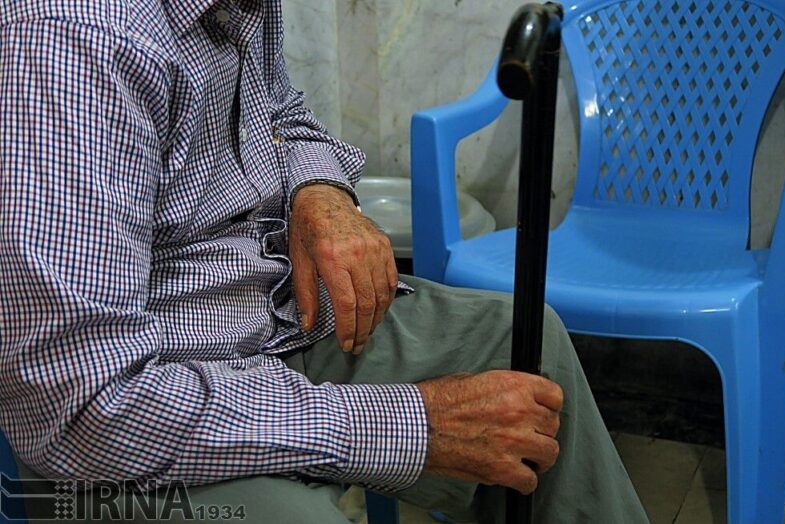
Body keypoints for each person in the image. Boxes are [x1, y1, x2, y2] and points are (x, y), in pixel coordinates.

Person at [0, 0, 647, 522]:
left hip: (265, 317)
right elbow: (81, 408)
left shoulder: (236, 8)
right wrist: (415, 426)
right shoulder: (73, 44)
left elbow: (279, 109)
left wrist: (320, 190)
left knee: (528, 347)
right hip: (134, 424)